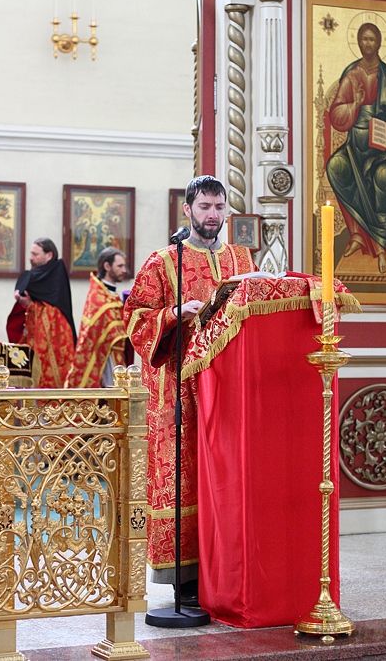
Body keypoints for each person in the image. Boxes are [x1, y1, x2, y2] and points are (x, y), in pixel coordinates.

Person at [123, 175, 256, 606]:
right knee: (184, 474)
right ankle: (185, 577)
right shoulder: (164, 261)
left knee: (227, 473)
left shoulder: (241, 258)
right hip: (177, 390)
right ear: (187, 210)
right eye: (204, 207)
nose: (212, 215)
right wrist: (174, 313)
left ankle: (230, 568)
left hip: (229, 386)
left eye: (219, 207)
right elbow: (135, 317)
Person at [326, 22, 386, 275]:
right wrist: (355, 105)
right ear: (358, 42)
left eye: (372, 39)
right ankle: (356, 234)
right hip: (355, 147)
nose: (367, 44)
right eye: (364, 39)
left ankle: (381, 243)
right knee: (336, 166)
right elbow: (336, 114)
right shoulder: (352, 74)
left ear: (379, 43)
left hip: (384, 152)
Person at [6, 238, 76, 388]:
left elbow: (55, 314)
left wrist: (31, 305)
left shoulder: (56, 276)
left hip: (55, 341)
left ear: (49, 255)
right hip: (32, 338)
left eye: (35, 254)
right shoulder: (33, 276)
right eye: (31, 253)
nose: (30, 258)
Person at [65, 247, 128, 388]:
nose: (124, 270)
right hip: (104, 359)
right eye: (120, 266)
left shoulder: (111, 295)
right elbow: (95, 334)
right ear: (107, 266)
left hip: (117, 357)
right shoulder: (97, 296)